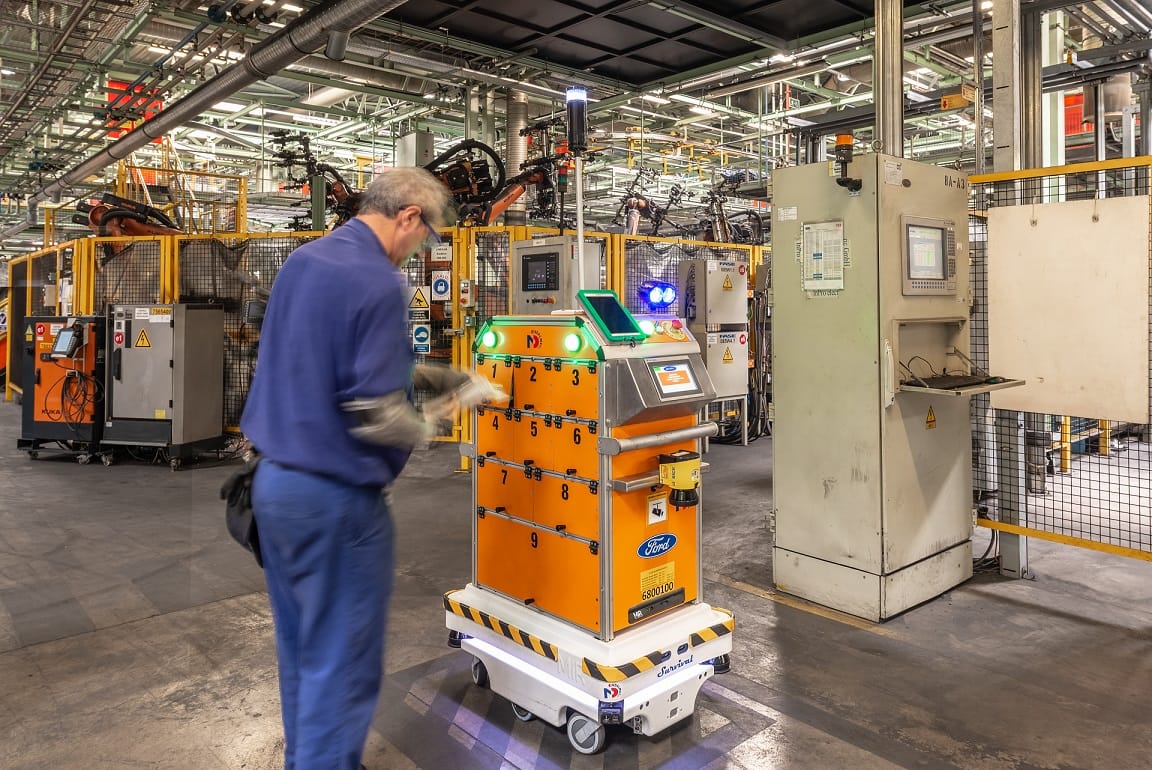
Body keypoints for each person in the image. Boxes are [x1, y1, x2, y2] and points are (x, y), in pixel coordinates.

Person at [241, 167, 473, 770]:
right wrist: (446, 416)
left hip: (274, 491)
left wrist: (446, 375)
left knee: (304, 648)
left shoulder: (305, 262)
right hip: (336, 503)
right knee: (343, 662)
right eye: (424, 237)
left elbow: (323, 365)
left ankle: (308, 759)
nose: (419, 250)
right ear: (408, 216)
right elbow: (375, 415)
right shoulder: (379, 280)